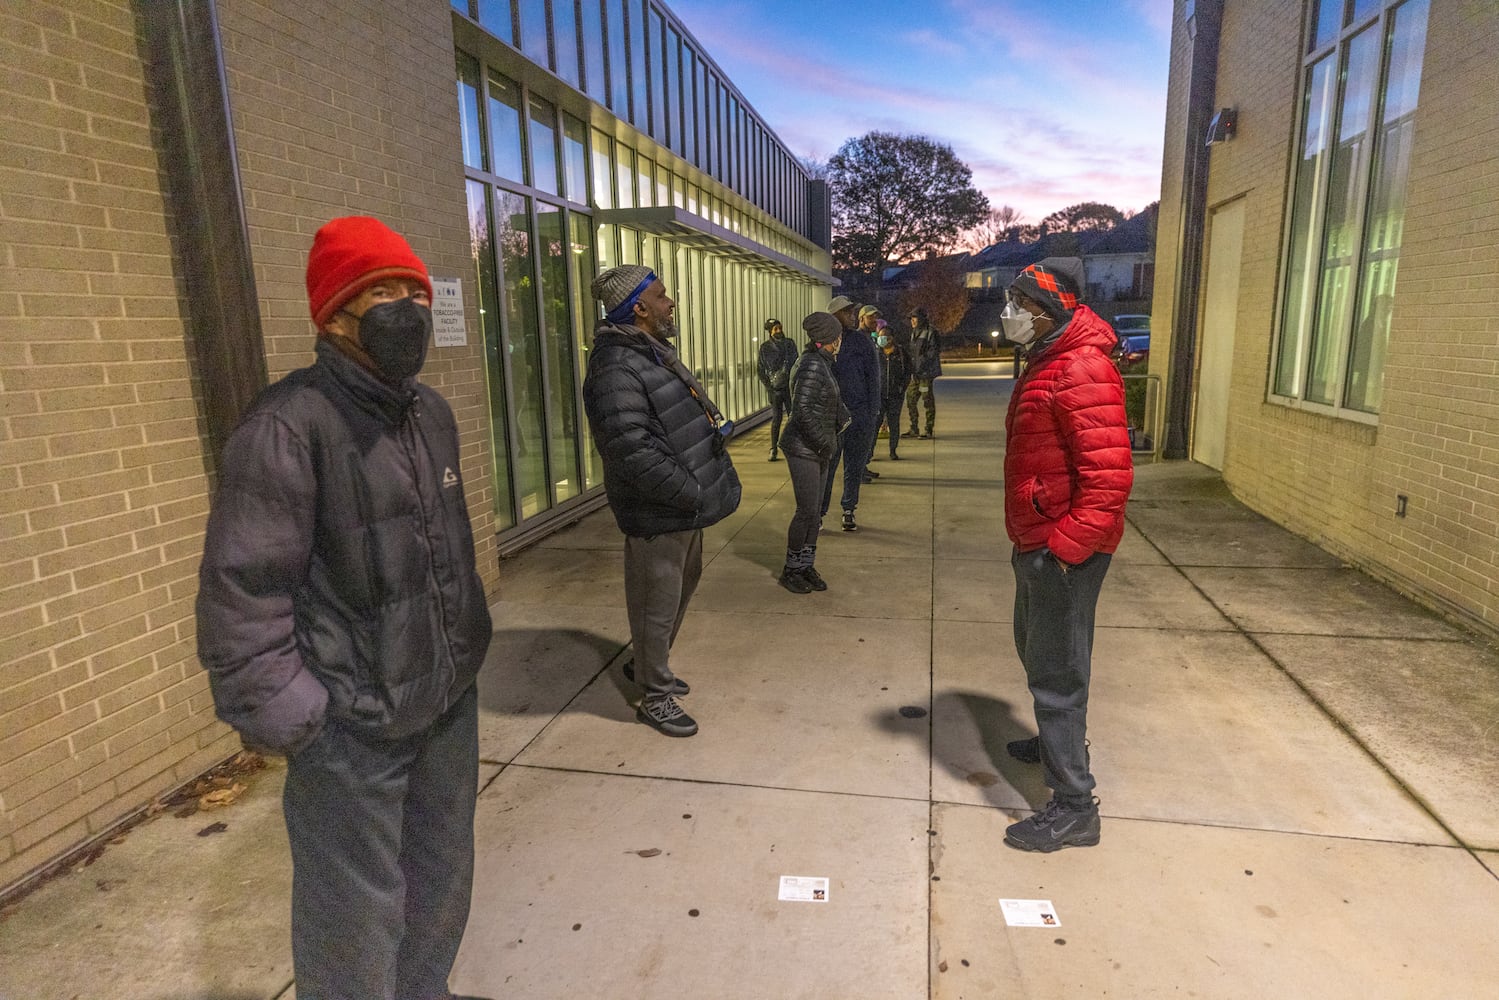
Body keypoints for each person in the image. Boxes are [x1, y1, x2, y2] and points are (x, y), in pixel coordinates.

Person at [196, 216, 495, 1000]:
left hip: (442, 705)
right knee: (353, 922)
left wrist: (463, 655)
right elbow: (244, 595)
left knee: (440, 888)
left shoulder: (429, 413)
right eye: (379, 294)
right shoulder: (286, 428)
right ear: (333, 316)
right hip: (353, 728)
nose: (405, 308)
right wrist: (305, 722)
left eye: (412, 291)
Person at [997, 257, 1133, 853]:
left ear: (1047, 310)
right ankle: (1057, 744)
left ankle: (1075, 806)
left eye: (1018, 303)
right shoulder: (1050, 358)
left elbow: (1108, 478)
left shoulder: (1080, 366)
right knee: (1036, 645)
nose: (1009, 314)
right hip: (1039, 537)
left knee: (1058, 671)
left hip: (1062, 549)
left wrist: (1064, 549)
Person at [583, 264, 742, 738]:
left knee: (678, 592)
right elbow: (631, 450)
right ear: (639, 308)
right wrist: (690, 491)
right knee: (656, 603)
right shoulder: (616, 366)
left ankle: (650, 666)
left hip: (679, 508)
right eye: (662, 295)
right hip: (659, 510)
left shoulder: (648, 353)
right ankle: (654, 697)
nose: (670, 303)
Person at [777, 312, 849, 594]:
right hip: (803, 448)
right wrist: (824, 442)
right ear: (830, 339)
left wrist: (842, 417)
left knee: (814, 512)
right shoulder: (811, 365)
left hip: (817, 447)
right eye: (838, 336)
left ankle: (805, 565)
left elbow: (828, 399)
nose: (840, 340)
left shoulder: (821, 363)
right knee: (806, 511)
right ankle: (790, 569)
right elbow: (802, 412)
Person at [819, 295, 880, 531]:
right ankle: (820, 512)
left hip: (859, 415)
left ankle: (848, 509)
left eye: (853, 312)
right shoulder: (822, 342)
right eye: (847, 313)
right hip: (831, 419)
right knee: (827, 468)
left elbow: (873, 378)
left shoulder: (862, 342)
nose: (852, 317)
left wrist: (872, 412)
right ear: (834, 316)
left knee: (854, 466)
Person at [757, 317, 798, 461]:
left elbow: (796, 362)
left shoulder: (789, 344)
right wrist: (769, 386)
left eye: (780, 328)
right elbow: (760, 370)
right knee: (777, 419)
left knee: (793, 417)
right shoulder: (765, 347)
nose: (779, 331)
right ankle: (773, 448)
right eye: (776, 329)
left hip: (789, 387)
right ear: (770, 332)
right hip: (775, 389)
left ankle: (792, 444)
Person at [874, 318, 912, 460]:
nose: (881, 339)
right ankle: (870, 453)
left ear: (891, 338)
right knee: (876, 424)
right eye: (880, 337)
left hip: (896, 395)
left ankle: (893, 450)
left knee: (893, 424)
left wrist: (902, 387)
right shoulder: (876, 354)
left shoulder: (901, 354)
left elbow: (908, 372)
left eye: (884, 337)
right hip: (880, 395)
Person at [905, 307, 943, 438]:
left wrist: (922, 362)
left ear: (921, 319)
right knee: (910, 398)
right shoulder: (914, 332)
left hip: (926, 374)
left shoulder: (931, 332)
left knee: (927, 400)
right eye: (911, 318)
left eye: (914, 318)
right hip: (916, 373)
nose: (912, 321)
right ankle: (913, 428)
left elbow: (934, 351)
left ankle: (928, 429)